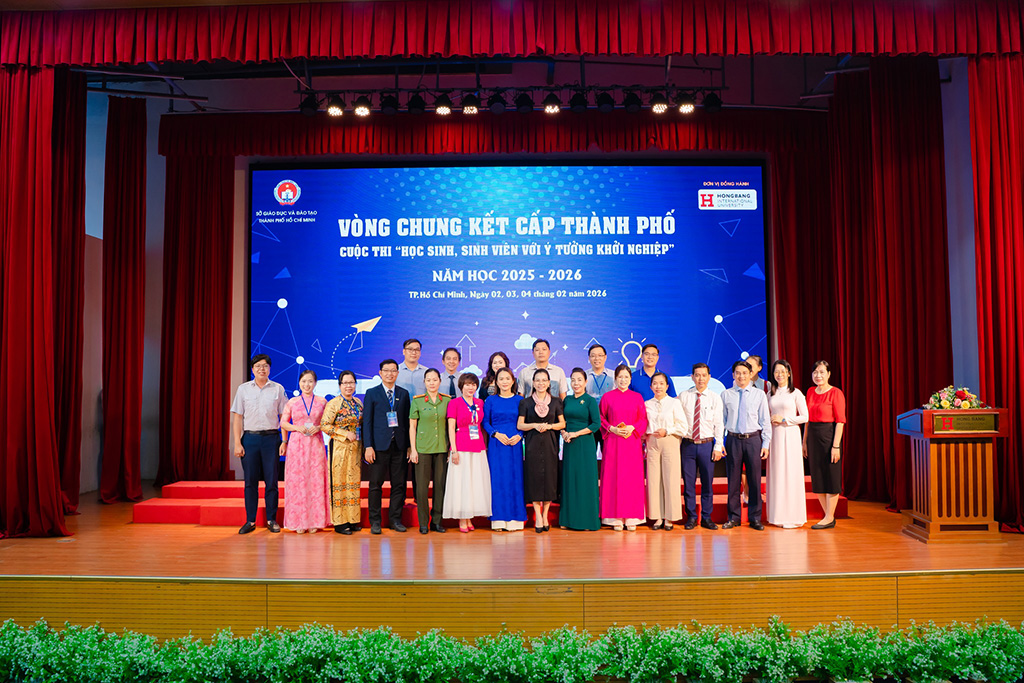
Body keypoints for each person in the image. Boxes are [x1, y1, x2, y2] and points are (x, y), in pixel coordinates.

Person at [230, 354, 288, 535]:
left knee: (272, 482)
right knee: (250, 482)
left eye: (265, 366)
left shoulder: (278, 389)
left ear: (269, 368)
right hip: (250, 439)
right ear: (252, 369)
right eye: (258, 366)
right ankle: (250, 520)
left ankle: (272, 519)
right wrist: (237, 443)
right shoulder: (243, 389)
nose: (262, 369)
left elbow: (283, 417)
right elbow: (237, 417)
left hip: (271, 439)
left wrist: (284, 440)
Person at [361, 359, 412, 534]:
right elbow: (367, 422)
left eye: (393, 370)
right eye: (386, 370)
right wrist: (368, 446)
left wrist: (409, 446)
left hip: (399, 446)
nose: (390, 374)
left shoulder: (403, 393)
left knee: (399, 485)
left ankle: (395, 520)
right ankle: (375, 522)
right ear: (380, 373)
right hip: (378, 447)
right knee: (376, 485)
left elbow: (406, 421)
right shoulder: (372, 393)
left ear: (397, 373)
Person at [721, 360, 771, 530]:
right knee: (733, 481)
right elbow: (722, 421)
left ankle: (755, 518)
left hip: (753, 440)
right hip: (733, 440)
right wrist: (720, 442)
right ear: (733, 375)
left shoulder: (759, 395)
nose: (741, 376)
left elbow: (765, 421)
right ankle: (733, 518)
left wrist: (766, 443)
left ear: (750, 374)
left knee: (754, 480)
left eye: (744, 373)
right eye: (738, 373)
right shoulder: (726, 395)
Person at [598, 364, 648, 531]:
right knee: (613, 477)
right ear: (615, 379)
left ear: (630, 379)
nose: (623, 380)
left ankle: (632, 517)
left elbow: (643, 419)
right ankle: (614, 518)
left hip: (631, 443)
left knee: (631, 479)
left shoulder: (637, 397)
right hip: (613, 442)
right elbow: (600, 417)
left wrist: (633, 427)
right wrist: (611, 428)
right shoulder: (607, 397)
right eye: (620, 377)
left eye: (626, 377)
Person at [280, 369, 329, 534]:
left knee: (315, 480)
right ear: (299, 383)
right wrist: (296, 428)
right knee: (297, 481)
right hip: (297, 445)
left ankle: (315, 520)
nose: (306, 384)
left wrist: (319, 427)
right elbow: (283, 423)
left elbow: (329, 423)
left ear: (315, 383)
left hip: (315, 444)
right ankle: (298, 521)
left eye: (310, 381)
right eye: (303, 381)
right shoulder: (292, 402)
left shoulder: (322, 402)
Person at [518, 368, 566, 532]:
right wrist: (534, 425)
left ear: (549, 383)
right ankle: (538, 516)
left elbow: (562, 423)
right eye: (537, 380)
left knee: (549, 481)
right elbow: (520, 425)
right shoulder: (525, 403)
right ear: (533, 383)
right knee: (534, 480)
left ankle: (545, 515)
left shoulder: (556, 402)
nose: (541, 383)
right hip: (532, 446)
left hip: (550, 445)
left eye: (544, 380)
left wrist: (550, 426)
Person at [678, 363, 725, 530]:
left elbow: (719, 424)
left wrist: (718, 446)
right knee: (688, 484)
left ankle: (706, 517)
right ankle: (691, 516)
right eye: (697, 375)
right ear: (692, 377)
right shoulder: (684, 396)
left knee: (707, 483)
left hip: (707, 445)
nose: (700, 378)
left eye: (704, 375)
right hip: (688, 445)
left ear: (709, 377)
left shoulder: (714, 398)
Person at [443, 373, 491, 532]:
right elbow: (451, 427)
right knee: (462, 482)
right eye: (467, 384)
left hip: (477, 445)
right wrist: (453, 450)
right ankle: (462, 518)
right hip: (461, 444)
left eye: (473, 384)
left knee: (474, 482)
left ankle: (469, 517)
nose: (471, 388)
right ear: (461, 386)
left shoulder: (479, 402)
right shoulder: (454, 403)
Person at [482, 367, 526, 531]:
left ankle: (515, 520)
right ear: (496, 382)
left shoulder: (520, 400)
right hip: (497, 444)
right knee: (498, 480)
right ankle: (498, 520)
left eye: (508, 378)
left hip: (515, 444)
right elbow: (485, 422)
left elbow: (524, 422)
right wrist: (495, 434)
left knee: (515, 479)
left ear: (513, 381)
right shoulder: (490, 400)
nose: (504, 382)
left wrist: (520, 435)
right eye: (501, 379)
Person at [804, 360, 846, 529]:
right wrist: (804, 442)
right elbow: (807, 420)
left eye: (822, 372)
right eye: (815, 372)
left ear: (829, 374)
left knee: (831, 476)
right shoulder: (810, 391)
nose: (818, 375)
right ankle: (828, 516)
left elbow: (840, 421)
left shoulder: (836, 393)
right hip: (813, 436)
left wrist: (836, 446)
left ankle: (829, 517)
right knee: (818, 477)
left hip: (829, 436)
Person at [767, 360, 809, 529]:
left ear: (789, 373)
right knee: (777, 473)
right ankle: (777, 516)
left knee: (791, 473)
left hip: (790, 434)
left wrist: (784, 419)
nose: (780, 375)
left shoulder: (796, 393)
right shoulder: (770, 394)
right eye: (776, 372)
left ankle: (794, 516)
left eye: (783, 371)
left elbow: (805, 416)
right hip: (775, 436)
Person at [409, 368, 451, 534]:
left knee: (440, 486)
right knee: (421, 488)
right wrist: (413, 449)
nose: (432, 383)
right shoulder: (418, 401)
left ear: (440, 381)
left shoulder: (447, 401)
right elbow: (412, 426)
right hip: (423, 448)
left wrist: (451, 449)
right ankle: (423, 523)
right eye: (428, 380)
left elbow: (451, 426)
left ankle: (437, 521)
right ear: (424, 382)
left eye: (435, 380)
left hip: (441, 448)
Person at [321, 370, 363, 534]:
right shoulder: (334, 403)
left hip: (355, 448)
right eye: (345, 383)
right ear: (340, 385)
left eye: (351, 383)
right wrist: (344, 434)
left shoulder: (358, 402)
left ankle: (352, 519)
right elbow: (324, 425)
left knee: (353, 483)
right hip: (339, 448)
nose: (348, 386)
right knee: (339, 483)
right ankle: (339, 523)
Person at [560, 368, 601, 531]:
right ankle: (568, 519)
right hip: (569, 444)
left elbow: (596, 424)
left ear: (585, 382)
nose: (576, 383)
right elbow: (561, 421)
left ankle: (586, 521)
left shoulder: (590, 401)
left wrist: (576, 433)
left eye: (579, 380)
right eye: (573, 380)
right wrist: (564, 433)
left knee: (585, 480)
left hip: (585, 443)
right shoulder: (567, 400)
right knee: (570, 479)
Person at [644, 372, 685, 530]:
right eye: (655, 383)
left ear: (667, 386)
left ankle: (670, 518)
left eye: (661, 383)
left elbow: (683, 427)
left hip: (670, 440)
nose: (658, 386)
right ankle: (657, 517)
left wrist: (667, 431)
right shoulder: (647, 404)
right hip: (652, 442)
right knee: (653, 480)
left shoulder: (674, 403)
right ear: (651, 386)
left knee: (671, 479)